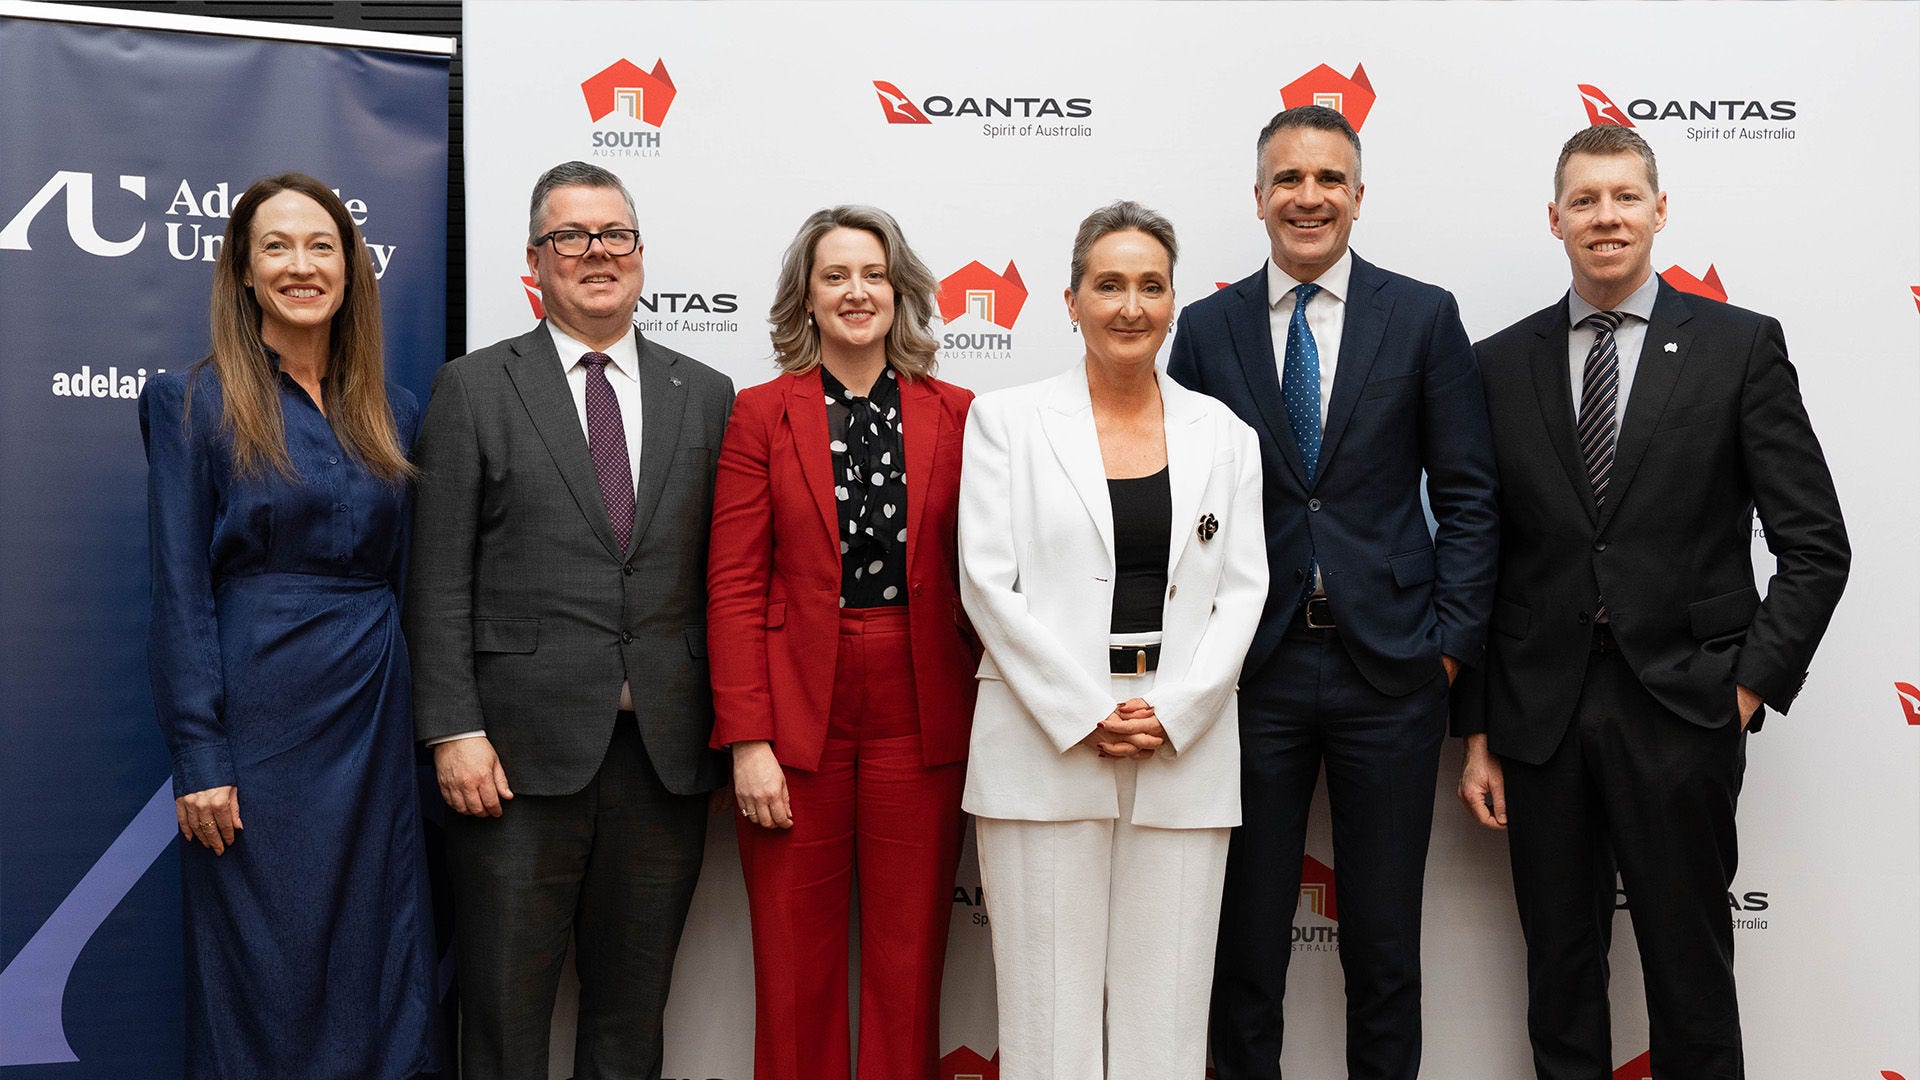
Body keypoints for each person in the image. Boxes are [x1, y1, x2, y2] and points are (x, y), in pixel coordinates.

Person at [1453, 125, 1848, 1079]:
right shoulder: (1495, 364)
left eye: (1625, 197)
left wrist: (1743, 690)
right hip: (1539, 720)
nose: (1607, 217)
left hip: (1685, 707)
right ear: (1555, 219)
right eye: (1585, 200)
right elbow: (1482, 556)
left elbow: (1815, 545)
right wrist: (1479, 730)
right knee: (1559, 980)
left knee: (1689, 978)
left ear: (1660, 211)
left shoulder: (1739, 347)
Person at [1167, 105, 1499, 1080]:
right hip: (1252, 675)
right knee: (1245, 946)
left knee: (1386, 947)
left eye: (1327, 179)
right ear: (1258, 197)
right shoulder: (1209, 329)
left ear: (1357, 195)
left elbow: (1470, 496)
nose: (1307, 197)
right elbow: (1181, 498)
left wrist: (1448, 651)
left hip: (1392, 674)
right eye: (1288, 179)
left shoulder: (1423, 316)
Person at [404, 160, 733, 1079]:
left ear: (640, 252)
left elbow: (728, 580)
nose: (597, 253)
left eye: (614, 234)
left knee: (632, 1021)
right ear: (534, 260)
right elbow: (437, 579)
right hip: (510, 765)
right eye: (571, 237)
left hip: (664, 760)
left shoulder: (707, 393)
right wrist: (453, 731)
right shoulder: (474, 388)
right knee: (503, 1020)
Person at [959, 201, 1267, 1080]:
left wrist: (1175, 712)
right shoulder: (1006, 422)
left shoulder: (1227, 436)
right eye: (1109, 285)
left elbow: (1244, 591)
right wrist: (1083, 711)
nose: (1130, 307)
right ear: (1071, 301)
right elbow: (988, 583)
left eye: (1150, 286)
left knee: (1166, 1021)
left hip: (1181, 749)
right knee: (1046, 1020)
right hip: (1043, 742)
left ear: (1174, 303)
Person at [140, 172, 437, 1079]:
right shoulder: (190, 402)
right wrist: (201, 755)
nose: (301, 265)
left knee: (377, 951)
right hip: (259, 714)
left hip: (375, 712)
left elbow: (408, 578)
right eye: (276, 246)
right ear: (242, 271)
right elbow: (178, 590)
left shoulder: (394, 411)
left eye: (321, 246)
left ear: (351, 268)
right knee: (263, 966)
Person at [706, 205, 977, 1080]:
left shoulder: (960, 414)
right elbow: (734, 585)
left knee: (909, 963)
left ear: (901, 292)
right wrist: (748, 740)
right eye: (835, 276)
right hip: (794, 712)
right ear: (808, 297)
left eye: (873, 275)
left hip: (922, 704)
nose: (856, 292)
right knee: (794, 969)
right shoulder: (759, 414)